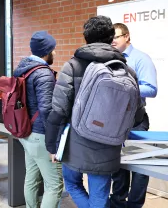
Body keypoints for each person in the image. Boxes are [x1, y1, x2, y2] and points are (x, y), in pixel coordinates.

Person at [45, 16, 142, 208]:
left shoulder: (73, 66)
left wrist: (52, 146)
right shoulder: (127, 71)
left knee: (72, 183)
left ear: (86, 38)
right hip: (109, 147)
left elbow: (58, 110)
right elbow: (137, 116)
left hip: (76, 144)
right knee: (100, 194)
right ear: (110, 37)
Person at [110, 23, 158, 208]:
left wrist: (123, 88)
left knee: (139, 169)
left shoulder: (141, 59)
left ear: (127, 37)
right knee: (118, 167)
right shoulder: (110, 59)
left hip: (136, 122)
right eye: (110, 38)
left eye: (116, 36)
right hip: (114, 124)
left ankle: (134, 205)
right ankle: (118, 203)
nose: (112, 40)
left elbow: (151, 89)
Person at [13, 31, 62, 208]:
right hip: (41, 135)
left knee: (31, 178)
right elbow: (47, 109)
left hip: (25, 132)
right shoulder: (44, 74)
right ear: (46, 51)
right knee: (54, 185)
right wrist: (54, 143)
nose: (55, 53)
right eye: (53, 49)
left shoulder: (23, 69)